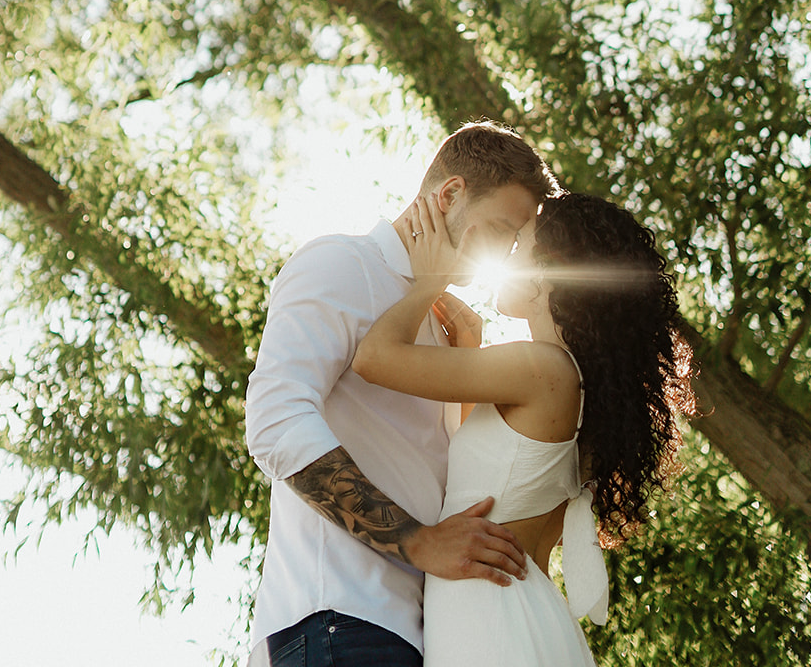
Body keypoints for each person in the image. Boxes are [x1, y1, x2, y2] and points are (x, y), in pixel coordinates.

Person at [244, 121, 558, 667]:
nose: (502, 257)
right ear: (451, 193)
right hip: (338, 620)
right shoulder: (341, 264)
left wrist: (466, 350)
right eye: (497, 231)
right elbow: (274, 420)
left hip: (412, 635)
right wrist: (416, 541)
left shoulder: (441, 323)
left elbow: (440, 472)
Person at [353, 188, 696, 667]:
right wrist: (469, 347)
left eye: (518, 247)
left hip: (489, 620)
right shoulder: (571, 386)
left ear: (546, 271)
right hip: (509, 612)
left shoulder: (544, 368)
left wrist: (429, 283)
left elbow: (372, 358)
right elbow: (496, 473)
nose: (505, 257)